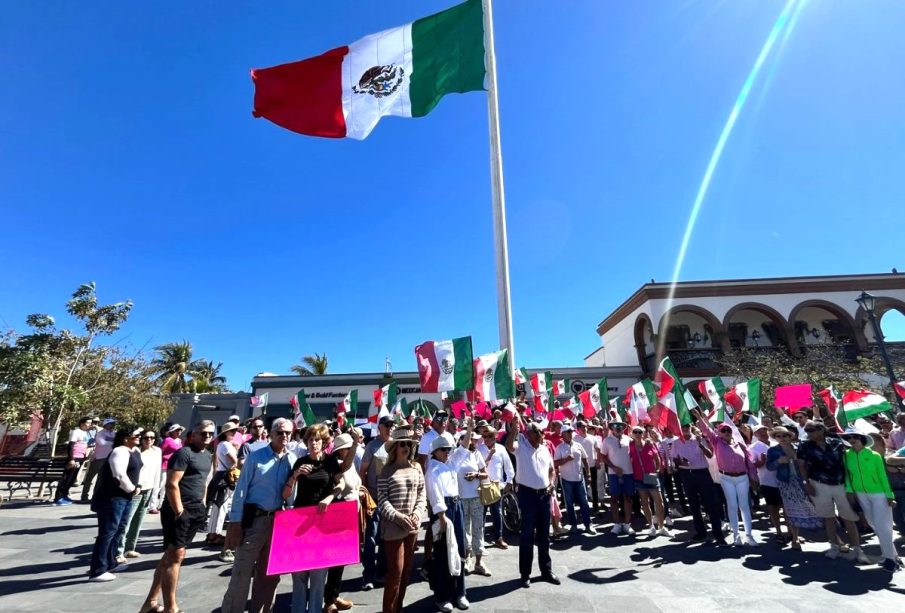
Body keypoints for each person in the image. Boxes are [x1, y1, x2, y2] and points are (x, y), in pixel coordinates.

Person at [220, 418, 297, 613]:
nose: (284, 436)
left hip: (278, 522)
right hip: (254, 521)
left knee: (269, 575)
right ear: (270, 434)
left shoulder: (292, 459)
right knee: (241, 572)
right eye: (280, 432)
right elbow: (241, 491)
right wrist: (235, 523)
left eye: (288, 432)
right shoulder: (256, 457)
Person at [141, 420, 214, 613]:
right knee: (176, 556)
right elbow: (172, 484)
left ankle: (150, 602)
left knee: (170, 556)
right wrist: (179, 510)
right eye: (203, 433)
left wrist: (203, 503)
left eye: (210, 433)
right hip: (179, 510)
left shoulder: (207, 455)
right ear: (193, 434)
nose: (207, 436)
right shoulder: (184, 453)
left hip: (197, 509)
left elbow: (204, 481)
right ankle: (171, 608)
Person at [284, 424, 351, 613]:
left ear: (324, 442)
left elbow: (342, 482)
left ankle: (314, 609)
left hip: (323, 522)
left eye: (318, 440)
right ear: (306, 442)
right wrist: (295, 476)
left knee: (319, 572)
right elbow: (285, 493)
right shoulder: (299, 462)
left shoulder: (330, 462)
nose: (314, 443)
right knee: (298, 573)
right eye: (311, 440)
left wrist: (330, 497)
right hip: (300, 521)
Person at [797, 420, 869, 563]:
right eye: (807, 430)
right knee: (828, 517)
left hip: (840, 483)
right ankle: (834, 546)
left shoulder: (837, 442)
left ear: (821, 430)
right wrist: (806, 483)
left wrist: (851, 486)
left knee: (848, 517)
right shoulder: (804, 446)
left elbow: (847, 462)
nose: (808, 433)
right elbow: (801, 466)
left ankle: (857, 549)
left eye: (811, 430)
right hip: (818, 483)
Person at [506, 416, 559, 589]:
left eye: (541, 431)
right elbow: (508, 446)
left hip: (544, 495)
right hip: (527, 495)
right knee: (527, 536)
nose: (541, 434)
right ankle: (525, 574)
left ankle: (546, 570)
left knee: (544, 536)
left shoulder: (545, 449)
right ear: (528, 434)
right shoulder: (521, 447)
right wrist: (514, 429)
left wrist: (551, 485)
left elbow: (552, 470)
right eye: (537, 431)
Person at [377, 426, 426, 613]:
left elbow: (422, 494)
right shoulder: (386, 470)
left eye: (409, 444)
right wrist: (399, 517)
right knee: (395, 572)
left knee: (406, 571)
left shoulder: (417, 467)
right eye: (402, 444)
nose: (406, 447)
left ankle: (399, 607)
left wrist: (417, 513)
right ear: (395, 447)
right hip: (393, 527)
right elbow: (382, 501)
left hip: (412, 525)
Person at [694, 411, 758, 546]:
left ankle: (749, 535)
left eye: (728, 430)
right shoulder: (716, 442)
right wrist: (700, 418)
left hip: (742, 477)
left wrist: (753, 477)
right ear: (719, 432)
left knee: (745, 506)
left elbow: (749, 461)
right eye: (723, 430)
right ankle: (736, 535)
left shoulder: (739, 444)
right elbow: (707, 430)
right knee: (732, 505)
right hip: (726, 477)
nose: (727, 432)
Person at [88, 426, 143, 582]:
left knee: (119, 529)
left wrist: (136, 487)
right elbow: (118, 475)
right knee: (108, 532)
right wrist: (132, 489)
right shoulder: (119, 451)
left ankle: (110, 562)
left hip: (125, 497)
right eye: (137, 435)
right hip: (112, 497)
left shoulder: (134, 452)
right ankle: (98, 569)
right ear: (126, 437)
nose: (140, 437)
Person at [842, 427, 901, 571]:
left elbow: (883, 476)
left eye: (854, 436)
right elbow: (847, 475)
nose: (852, 440)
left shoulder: (874, 455)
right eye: (849, 437)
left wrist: (889, 495)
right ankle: (893, 556)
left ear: (862, 439)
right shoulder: (846, 455)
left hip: (879, 493)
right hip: (861, 493)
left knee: (882, 525)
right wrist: (850, 491)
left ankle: (889, 560)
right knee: (873, 524)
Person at [425, 435, 469, 612]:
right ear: (434, 452)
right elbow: (435, 496)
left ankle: (459, 592)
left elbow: (463, 449)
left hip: (456, 506)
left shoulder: (450, 463)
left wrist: (470, 427)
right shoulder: (432, 470)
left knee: (460, 550)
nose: (447, 452)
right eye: (443, 449)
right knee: (442, 551)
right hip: (443, 511)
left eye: (448, 449)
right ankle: (441, 596)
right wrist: (442, 518)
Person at [765, 427, 822, 550]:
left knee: (809, 506)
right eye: (778, 436)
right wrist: (778, 461)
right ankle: (794, 538)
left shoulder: (798, 448)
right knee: (790, 510)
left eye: (784, 435)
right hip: (786, 483)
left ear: (790, 436)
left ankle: (799, 532)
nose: (782, 438)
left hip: (803, 481)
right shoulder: (773, 450)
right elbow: (769, 467)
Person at [323, 433, 361, 613]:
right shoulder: (337, 465)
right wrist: (355, 443)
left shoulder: (351, 465)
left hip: (351, 515)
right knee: (334, 558)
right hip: (339, 515)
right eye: (349, 448)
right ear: (341, 451)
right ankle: (328, 599)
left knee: (342, 559)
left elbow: (355, 484)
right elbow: (344, 472)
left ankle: (334, 595)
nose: (352, 451)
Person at [671, 423, 722, 543]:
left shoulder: (699, 439)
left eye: (687, 426)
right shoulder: (676, 442)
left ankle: (718, 533)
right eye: (683, 427)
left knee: (711, 504)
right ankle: (701, 532)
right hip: (687, 474)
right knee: (694, 505)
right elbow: (675, 459)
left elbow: (709, 454)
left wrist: (701, 444)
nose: (685, 428)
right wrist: (681, 462)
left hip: (702, 474)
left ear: (690, 427)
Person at [359, 416, 394, 591]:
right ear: (379, 427)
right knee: (371, 538)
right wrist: (365, 493)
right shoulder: (372, 446)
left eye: (391, 425)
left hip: (391, 499)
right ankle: (368, 576)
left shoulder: (395, 445)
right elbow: (363, 471)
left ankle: (381, 573)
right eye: (386, 425)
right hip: (374, 498)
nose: (390, 428)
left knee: (386, 538)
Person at [451, 419, 489, 576]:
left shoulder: (477, 454)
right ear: (461, 440)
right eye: (470, 439)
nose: (473, 442)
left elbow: (485, 474)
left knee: (478, 529)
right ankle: (467, 559)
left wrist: (476, 475)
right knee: (464, 529)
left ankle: (479, 562)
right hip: (460, 498)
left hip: (476, 497)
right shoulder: (455, 455)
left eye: (474, 439)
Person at [119, 428, 162, 559]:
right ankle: (118, 551)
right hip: (135, 489)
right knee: (127, 520)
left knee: (138, 520)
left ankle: (130, 548)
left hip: (148, 489)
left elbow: (157, 471)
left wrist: (156, 490)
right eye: (146, 437)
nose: (149, 440)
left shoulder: (157, 451)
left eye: (152, 438)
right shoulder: (135, 451)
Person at [475, 425, 514, 549]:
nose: (486, 438)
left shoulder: (501, 449)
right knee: (481, 514)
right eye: (484, 436)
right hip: (482, 485)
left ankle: (498, 538)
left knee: (497, 513)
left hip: (497, 485)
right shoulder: (478, 449)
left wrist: (509, 481)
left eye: (489, 436)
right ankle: (479, 540)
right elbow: (476, 468)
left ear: (495, 437)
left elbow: (508, 466)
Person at [554, 424, 595, 535]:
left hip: (579, 478)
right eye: (568, 432)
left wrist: (589, 474)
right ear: (563, 434)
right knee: (569, 504)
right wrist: (565, 460)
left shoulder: (578, 445)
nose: (571, 434)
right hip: (566, 480)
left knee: (584, 502)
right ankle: (573, 525)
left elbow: (585, 460)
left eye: (571, 432)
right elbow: (555, 463)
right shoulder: (559, 448)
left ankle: (588, 525)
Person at [628, 426, 670, 538]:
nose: (637, 434)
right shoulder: (630, 445)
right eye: (635, 432)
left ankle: (661, 527)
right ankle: (651, 526)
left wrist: (656, 471)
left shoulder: (649, 444)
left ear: (643, 433)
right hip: (638, 478)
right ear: (632, 434)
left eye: (639, 432)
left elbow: (657, 458)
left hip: (651, 477)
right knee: (645, 503)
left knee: (659, 502)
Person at [750, 424, 786, 543]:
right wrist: (761, 462)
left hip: (783, 480)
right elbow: (752, 466)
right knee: (773, 507)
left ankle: (791, 532)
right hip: (767, 481)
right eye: (759, 431)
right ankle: (779, 532)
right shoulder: (752, 448)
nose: (763, 432)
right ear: (755, 434)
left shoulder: (776, 443)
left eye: (765, 429)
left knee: (786, 508)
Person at [207, 422, 240, 551]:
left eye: (234, 431)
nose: (233, 433)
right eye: (231, 431)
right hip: (225, 476)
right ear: (225, 433)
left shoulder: (221, 445)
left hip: (221, 474)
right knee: (221, 506)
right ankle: (216, 533)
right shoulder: (225, 445)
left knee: (218, 505)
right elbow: (234, 461)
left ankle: (212, 533)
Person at [600, 421, 635, 536]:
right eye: (615, 426)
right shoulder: (607, 440)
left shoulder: (628, 439)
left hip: (628, 473)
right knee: (614, 498)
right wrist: (614, 468)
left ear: (624, 428)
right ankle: (616, 524)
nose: (618, 428)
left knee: (628, 498)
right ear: (612, 428)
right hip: (613, 474)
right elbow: (603, 456)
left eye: (621, 426)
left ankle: (627, 524)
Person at [54, 416, 93, 505]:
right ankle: (58, 497)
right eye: (88, 423)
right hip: (74, 457)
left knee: (72, 479)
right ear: (82, 423)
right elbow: (71, 445)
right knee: (66, 478)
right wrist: (71, 459)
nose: (89, 425)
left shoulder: (86, 433)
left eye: (90, 423)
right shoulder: (76, 432)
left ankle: (65, 495)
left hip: (81, 457)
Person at [81, 418, 117, 503]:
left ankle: (96, 497)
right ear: (105, 424)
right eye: (110, 423)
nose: (112, 425)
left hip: (109, 458)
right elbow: (102, 443)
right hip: (98, 458)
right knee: (90, 477)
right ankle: (84, 496)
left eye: (113, 423)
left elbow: (117, 442)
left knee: (101, 479)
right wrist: (113, 443)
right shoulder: (100, 433)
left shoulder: (115, 433)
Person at [150, 424, 184, 514]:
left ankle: (161, 504)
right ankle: (152, 505)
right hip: (164, 465)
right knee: (159, 484)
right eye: (177, 430)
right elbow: (161, 451)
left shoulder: (180, 441)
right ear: (172, 432)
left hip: (174, 466)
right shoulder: (167, 440)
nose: (179, 432)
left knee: (167, 486)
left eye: (180, 430)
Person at [573, 422, 600, 512]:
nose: (584, 428)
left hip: (592, 466)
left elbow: (598, 450)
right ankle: (584, 508)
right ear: (578, 428)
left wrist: (597, 461)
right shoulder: (574, 439)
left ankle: (596, 507)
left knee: (594, 487)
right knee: (582, 488)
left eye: (585, 426)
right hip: (580, 467)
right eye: (581, 427)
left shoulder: (593, 438)